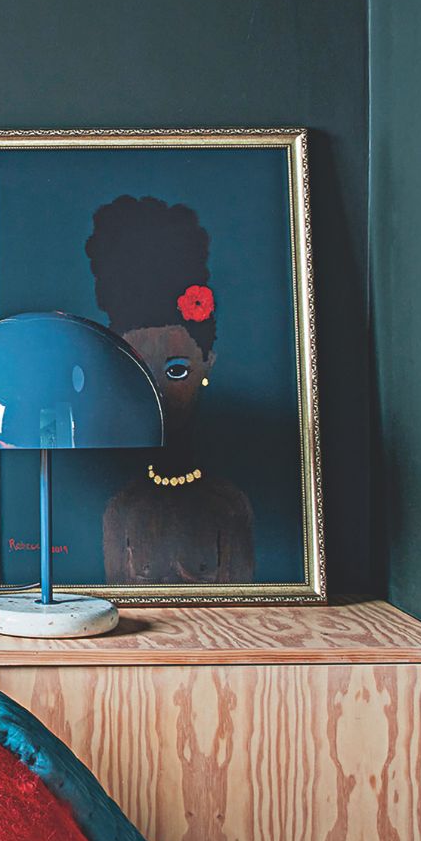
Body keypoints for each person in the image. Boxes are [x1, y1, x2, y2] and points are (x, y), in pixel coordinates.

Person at [84, 194, 254, 584]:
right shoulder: (121, 509)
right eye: (140, 372)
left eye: (176, 370)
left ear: (208, 363)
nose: (157, 389)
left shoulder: (229, 506)